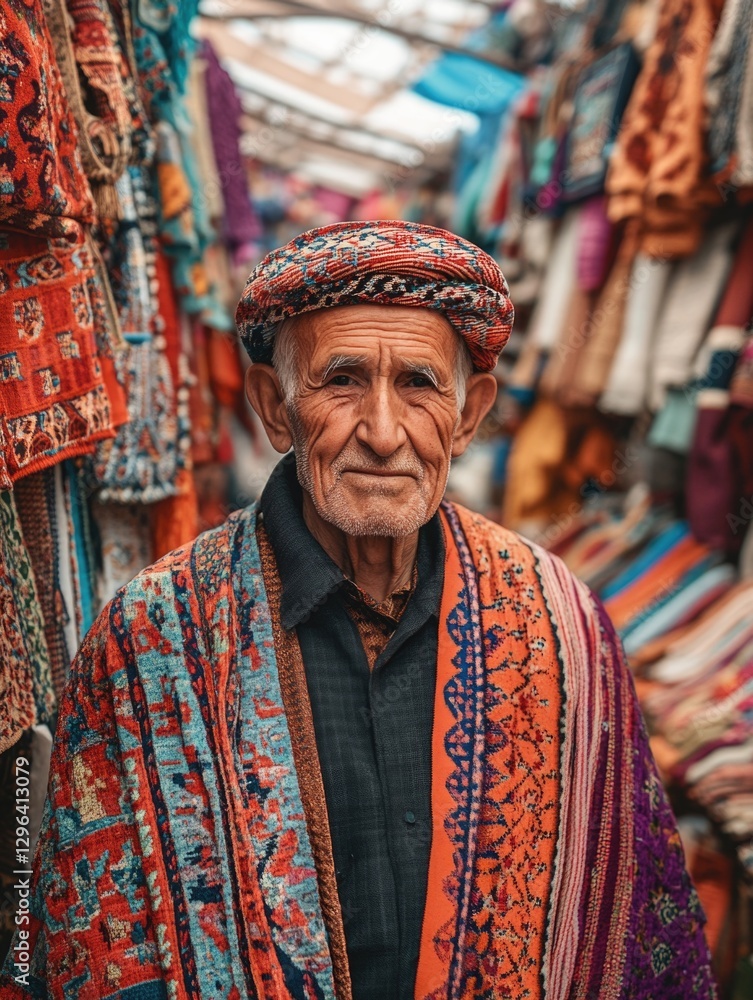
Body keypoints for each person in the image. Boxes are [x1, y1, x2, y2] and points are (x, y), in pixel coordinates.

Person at [2, 221, 716, 1000]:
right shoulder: (152, 634)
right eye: (340, 381)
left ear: (470, 415)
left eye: (418, 384)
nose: (382, 432)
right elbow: (83, 942)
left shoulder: (562, 627)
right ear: (275, 409)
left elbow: (629, 919)